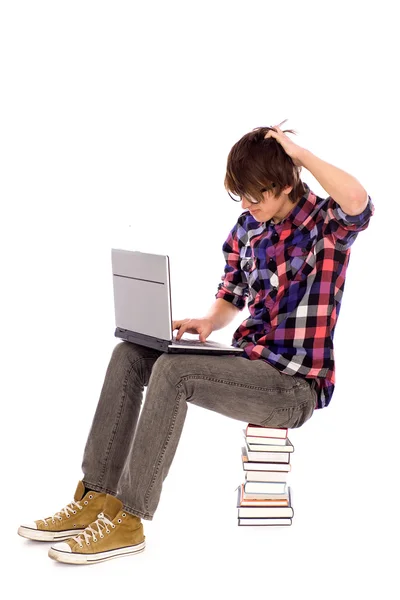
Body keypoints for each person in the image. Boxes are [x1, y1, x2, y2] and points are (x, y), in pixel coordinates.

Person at [18, 122, 374, 564]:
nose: (246, 205)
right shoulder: (249, 228)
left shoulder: (327, 226)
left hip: (292, 386)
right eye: (239, 196)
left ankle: (128, 522)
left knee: (174, 372)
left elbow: (358, 201)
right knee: (131, 353)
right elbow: (232, 295)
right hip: (247, 361)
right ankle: (96, 497)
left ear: (285, 185)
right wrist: (208, 321)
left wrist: (298, 154)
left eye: (255, 196)